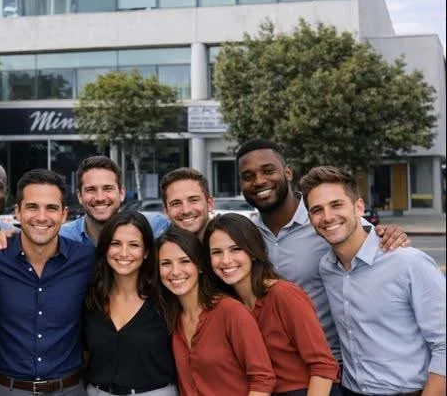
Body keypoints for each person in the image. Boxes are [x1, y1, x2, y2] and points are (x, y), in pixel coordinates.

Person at [236, 138, 408, 363]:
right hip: (276, 367)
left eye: (268, 170)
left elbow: (371, 241)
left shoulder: (324, 223)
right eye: (248, 176)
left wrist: (390, 233)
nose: (259, 181)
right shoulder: (246, 235)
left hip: (332, 364)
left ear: (288, 173)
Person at [300, 166, 446, 396]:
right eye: (317, 210)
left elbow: (444, 344)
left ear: (359, 207)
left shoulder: (408, 262)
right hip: (349, 390)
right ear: (310, 220)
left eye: (337, 205)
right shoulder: (327, 269)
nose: (327, 217)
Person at [0, 169, 95, 396]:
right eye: (32, 207)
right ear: (17, 212)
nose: (42, 217)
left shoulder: (86, 259)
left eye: (51, 208)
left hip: (69, 388)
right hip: (7, 389)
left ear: (64, 214)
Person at [205, 213, 339, 396]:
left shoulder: (283, 295)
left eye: (235, 249)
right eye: (216, 252)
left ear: (252, 252)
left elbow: (323, 366)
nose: (226, 260)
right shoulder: (229, 306)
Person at [156, 226, 275, 396]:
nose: (175, 272)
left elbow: (262, 379)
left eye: (185, 261)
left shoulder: (230, 311)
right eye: (166, 263)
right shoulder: (172, 318)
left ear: (200, 266)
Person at [84, 211, 177, 396]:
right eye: (115, 244)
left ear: (146, 252)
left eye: (134, 245)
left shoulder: (166, 299)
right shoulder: (91, 298)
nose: (124, 253)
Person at [61, 156, 170, 245]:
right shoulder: (63, 237)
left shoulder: (154, 225)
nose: (100, 198)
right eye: (91, 189)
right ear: (79, 196)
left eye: (108, 188)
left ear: (122, 193)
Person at [159, 167, 214, 239]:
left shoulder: (231, 241)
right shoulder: (158, 248)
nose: (186, 210)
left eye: (193, 200)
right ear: (166, 211)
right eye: (176, 203)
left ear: (209, 204)